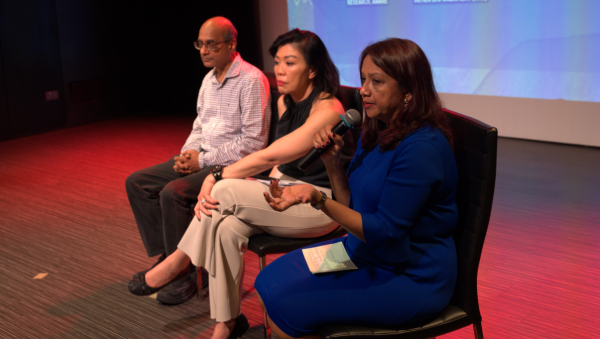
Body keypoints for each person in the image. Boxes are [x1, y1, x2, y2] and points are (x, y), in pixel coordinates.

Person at [128, 29, 355, 339]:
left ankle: (178, 260)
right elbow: (276, 167)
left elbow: (269, 155)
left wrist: (216, 175)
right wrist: (256, 185)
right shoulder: (286, 101)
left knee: (222, 188)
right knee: (225, 227)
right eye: (276, 62)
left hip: (319, 204)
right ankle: (228, 323)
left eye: (290, 63)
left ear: (313, 69)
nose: (279, 70)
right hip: (280, 195)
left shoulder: (329, 111)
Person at [256, 38, 459, 339]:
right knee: (268, 280)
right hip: (363, 252)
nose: (364, 91)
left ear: (408, 90)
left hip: (410, 275)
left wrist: (318, 198)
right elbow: (353, 206)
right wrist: (332, 163)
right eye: (363, 79)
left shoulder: (421, 148)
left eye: (377, 82)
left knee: (288, 307)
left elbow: (384, 232)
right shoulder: (377, 130)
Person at [124, 16, 271, 305]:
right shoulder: (208, 79)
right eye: (199, 44)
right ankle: (171, 254)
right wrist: (185, 155)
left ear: (231, 44)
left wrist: (203, 159)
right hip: (202, 158)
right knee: (138, 183)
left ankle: (186, 272)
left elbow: (254, 143)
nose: (204, 50)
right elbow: (199, 126)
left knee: (173, 193)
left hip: (230, 165)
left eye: (210, 44)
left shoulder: (252, 80)